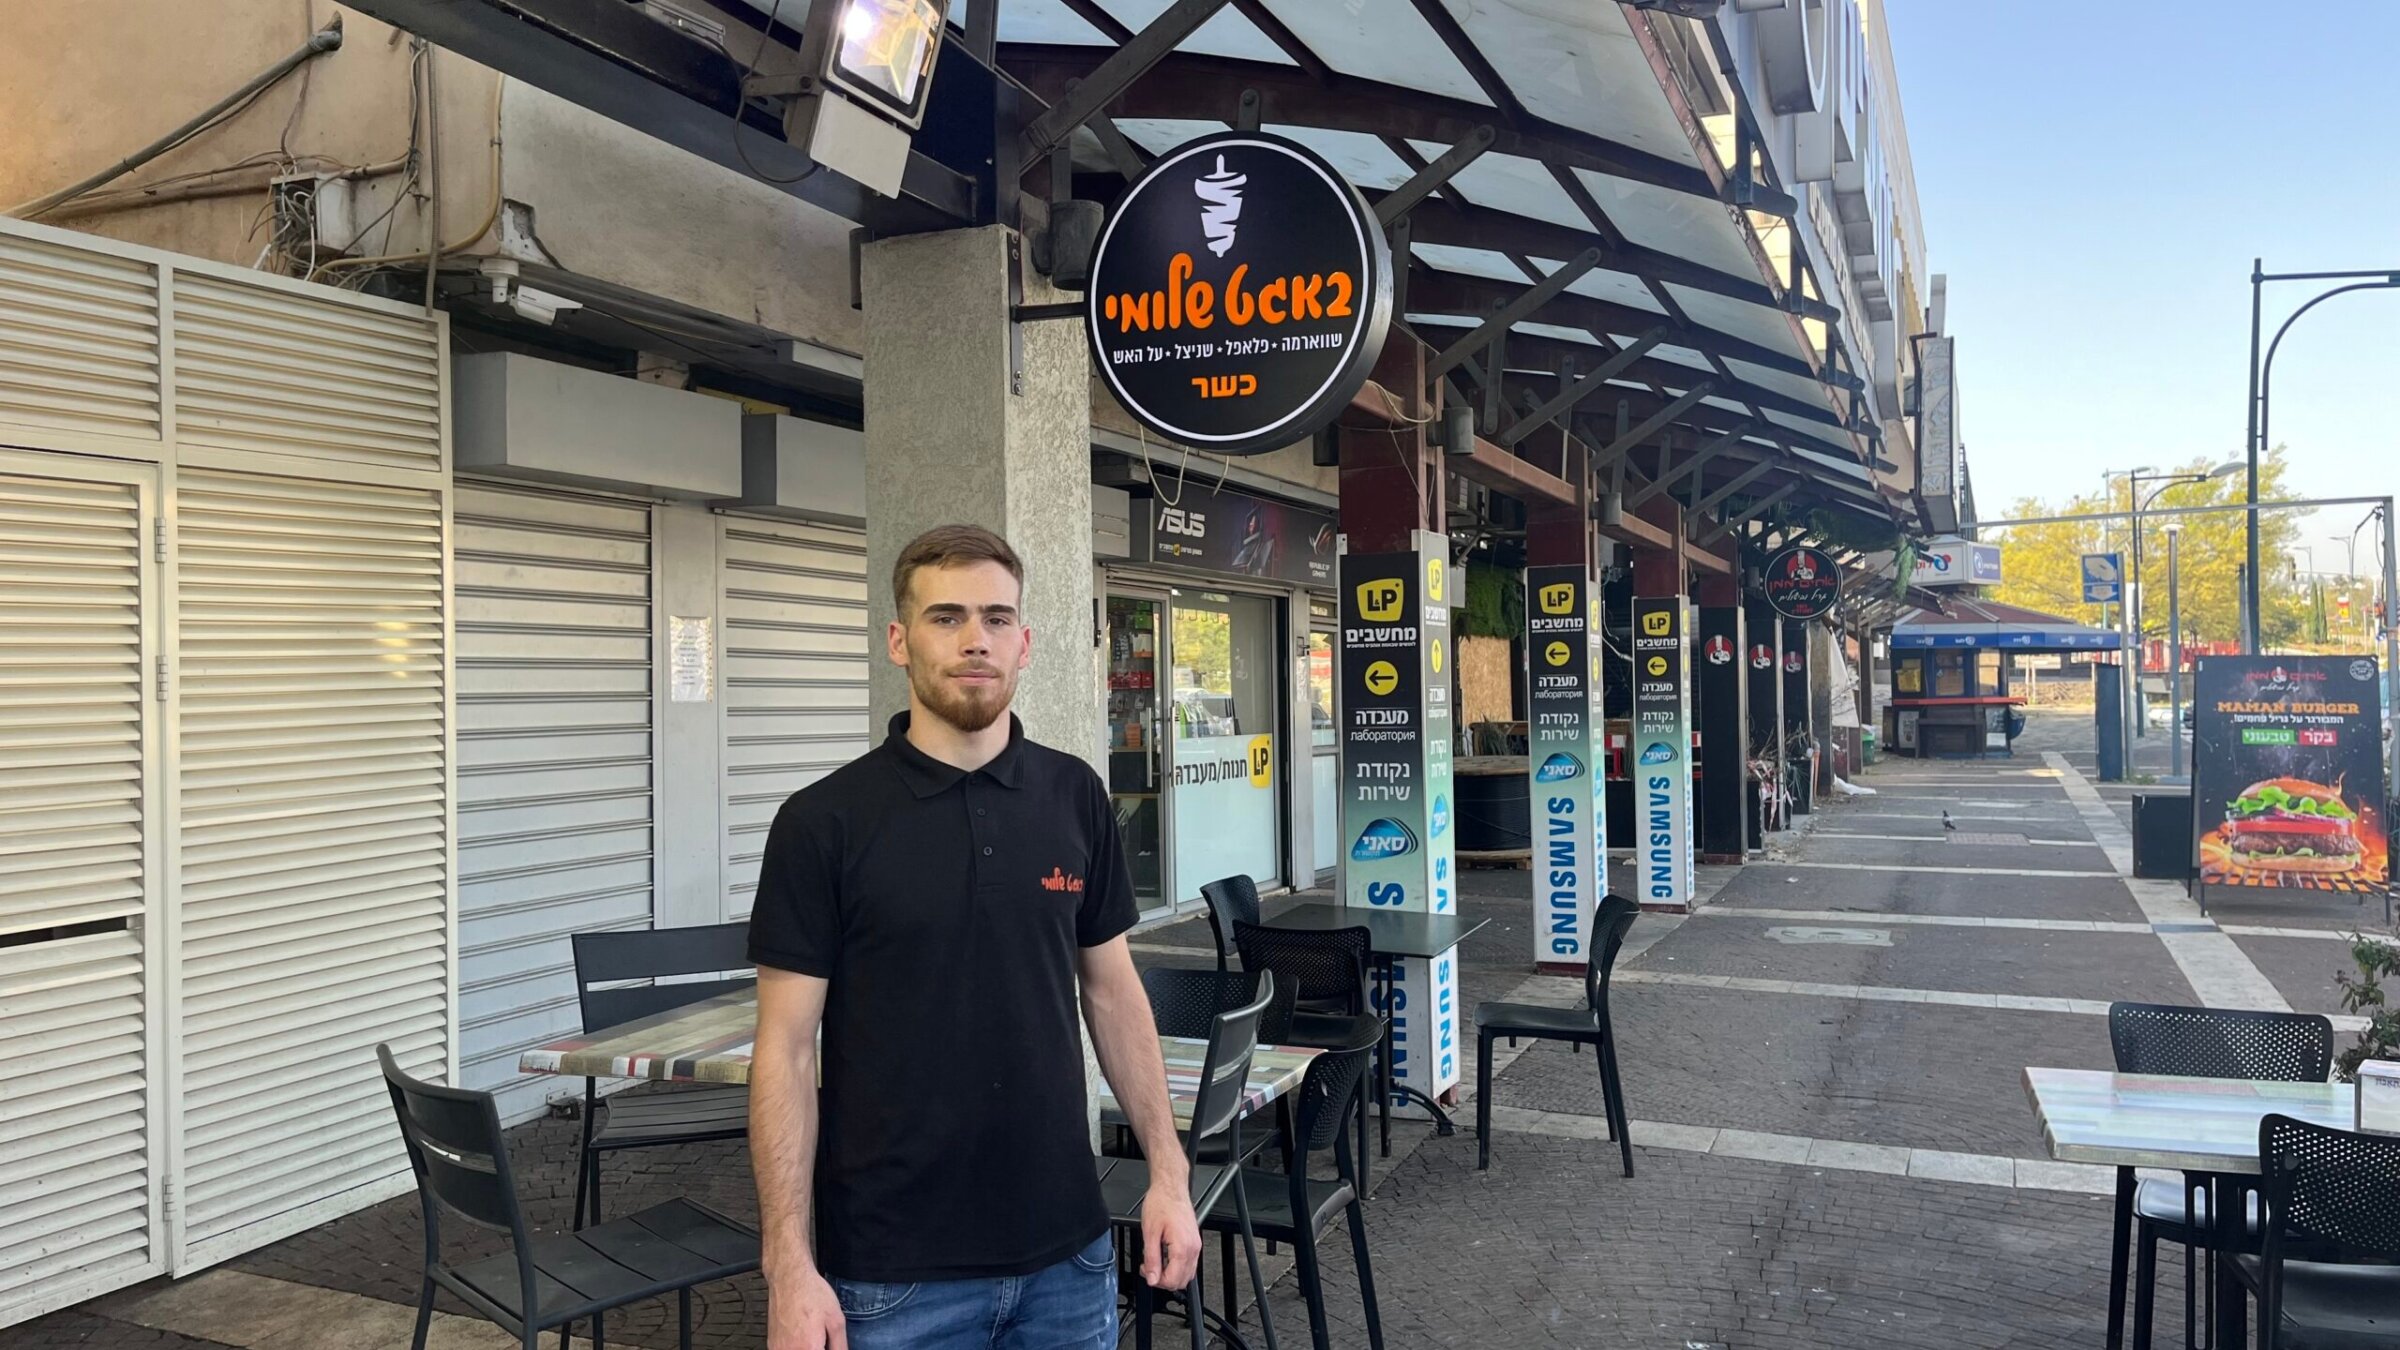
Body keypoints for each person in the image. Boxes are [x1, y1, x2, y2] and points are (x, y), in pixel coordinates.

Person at [747, 524, 1201, 1350]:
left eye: (996, 618)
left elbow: (1112, 992)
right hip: (890, 1276)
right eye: (945, 616)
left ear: (1025, 642)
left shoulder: (1076, 797)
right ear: (899, 640)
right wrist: (789, 1262)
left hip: (1069, 1256)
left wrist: (1168, 1173)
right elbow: (784, 1049)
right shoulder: (823, 824)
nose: (974, 640)